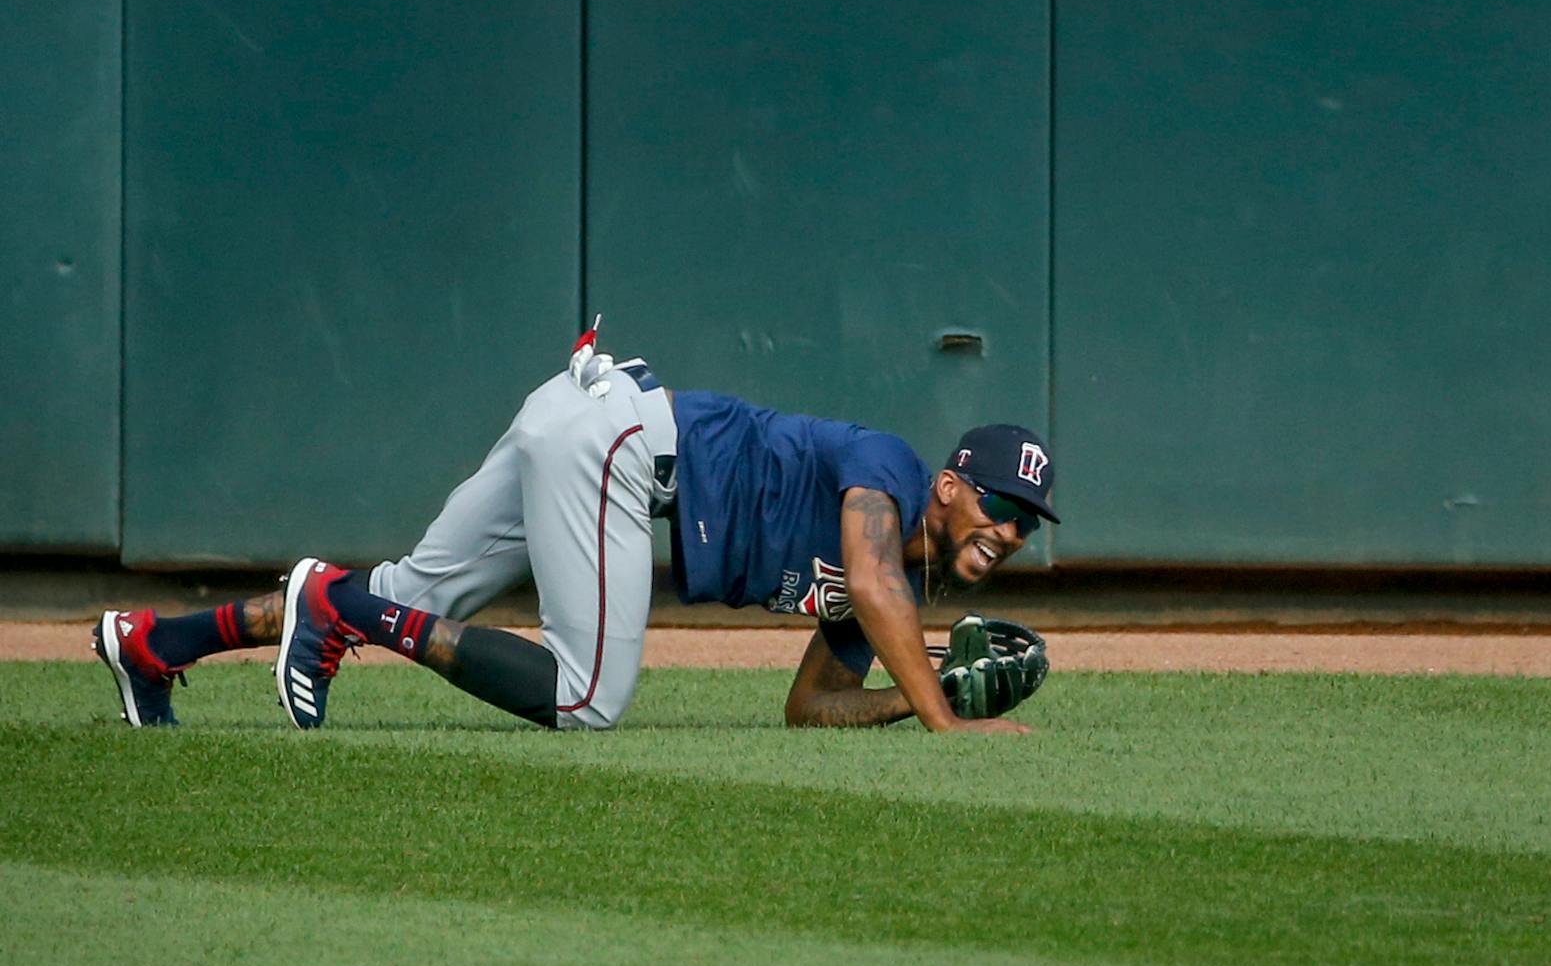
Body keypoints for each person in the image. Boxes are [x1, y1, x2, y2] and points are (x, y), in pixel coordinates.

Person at [90, 323, 1053, 735]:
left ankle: (154, 644)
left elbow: (809, 710)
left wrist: (912, 698)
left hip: (586, 417)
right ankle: (344, 614)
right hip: (623, 444)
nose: (1006, 532)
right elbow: (878, 584)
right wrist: (944, 720)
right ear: (948, 486)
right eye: (998, 506)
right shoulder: (884, 473)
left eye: (1023, 524)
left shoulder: (886, 589)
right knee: (587, 696)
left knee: (408, 596)